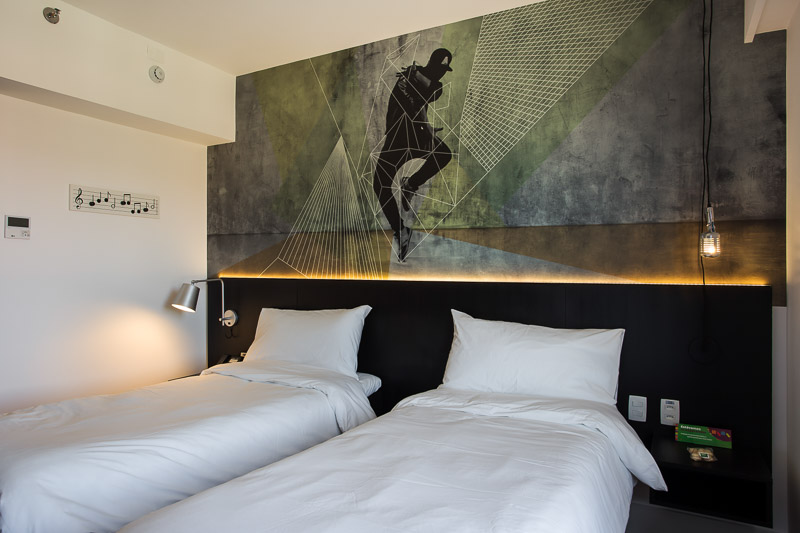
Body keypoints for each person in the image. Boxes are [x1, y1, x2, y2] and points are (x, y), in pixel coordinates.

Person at [372, 48, 454, 262]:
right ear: (433, 63)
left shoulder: (435, 86)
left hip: (417, 136)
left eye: (446, 69)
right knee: (380, 184)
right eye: (441, 67)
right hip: (398, 139)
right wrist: (413, 75)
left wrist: (416, 75)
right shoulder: (408, 77)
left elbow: (423, 99)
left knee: (444, 154)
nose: (442, 73)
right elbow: (412, 103)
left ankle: (410, 185)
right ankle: (400, 230)